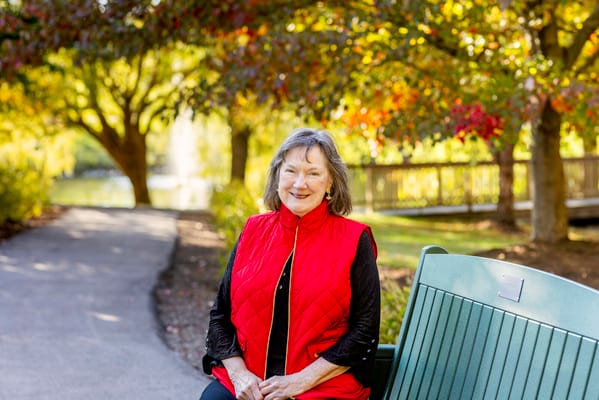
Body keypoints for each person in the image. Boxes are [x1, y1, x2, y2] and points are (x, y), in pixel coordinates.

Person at [199, 128, 380, 400]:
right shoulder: (252, 231)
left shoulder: (355, 240)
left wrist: (299, 382)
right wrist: (240, 376)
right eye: (291, 171)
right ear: (277, 176)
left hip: (321, 386)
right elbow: (220, 317)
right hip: (248, 382)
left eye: (313, 173)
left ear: (331, 181)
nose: (299, 183)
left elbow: (364, 331)